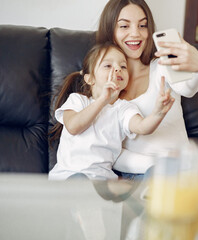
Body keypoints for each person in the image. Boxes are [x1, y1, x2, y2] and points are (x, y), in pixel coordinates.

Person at [96, 0, 198, 178]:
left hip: (178, 174)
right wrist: (157, 165)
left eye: (143, 25)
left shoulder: (162, 65)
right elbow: (107, 149)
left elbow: (188, 88)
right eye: (124, 26)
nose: (136, 33)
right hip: (132, 176)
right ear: (110, 31)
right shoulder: (101, 79)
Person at [48, 42, 174, 180]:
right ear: (89, 79)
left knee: (157, 174)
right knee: (80, 180)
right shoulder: (77, 100)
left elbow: (142, 127)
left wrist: (158, 113)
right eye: (108, 66)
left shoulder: (123, 108)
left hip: (103, 181)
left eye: (123, 66)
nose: (117, 69)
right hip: (69, 177)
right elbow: (73, 127)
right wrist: (103, 100)